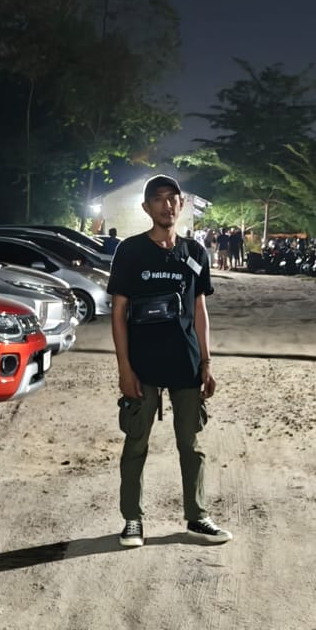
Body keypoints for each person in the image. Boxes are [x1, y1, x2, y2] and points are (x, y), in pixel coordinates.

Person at [109, 175, 231, 548]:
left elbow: (199, 309)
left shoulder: (195, 253)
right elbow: (119, 312)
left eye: (172, 198)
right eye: (158, 199)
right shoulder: (130, 251)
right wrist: (124, 368)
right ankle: (132, 520)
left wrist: (206, 361)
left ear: (181, 204)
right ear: (146, 207)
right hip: (143, 363)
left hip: (185, 362)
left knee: (191, 444)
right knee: (136, 442)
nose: (166, 205)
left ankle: (197, 516)